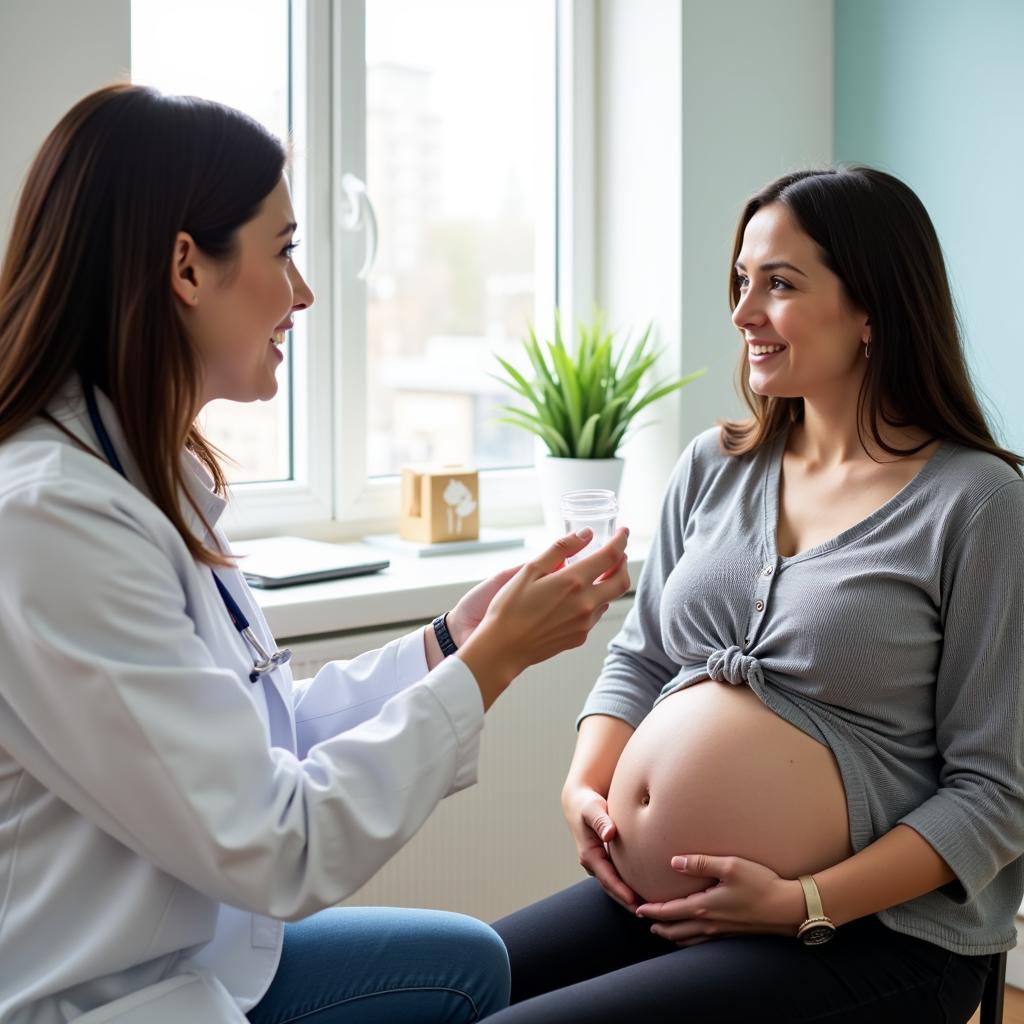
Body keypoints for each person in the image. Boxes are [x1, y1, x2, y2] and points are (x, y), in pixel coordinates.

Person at [0, 83, 630, 1023]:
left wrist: (451, 642)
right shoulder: (54, 522)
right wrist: (495, 666)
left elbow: (263, 736)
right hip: (104, 998)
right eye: (285, 251)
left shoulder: (143, 478)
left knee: (470, 964)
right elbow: (276, 846)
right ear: (186, 267)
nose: (303, 292)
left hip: (192, 953)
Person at [486, 166, 1024, 1023]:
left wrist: (802, 901)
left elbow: (995, 795)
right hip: (662, 907)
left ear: (871, 310)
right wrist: (585, 787)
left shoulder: (978, 503)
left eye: (778, 284)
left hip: (875, 938)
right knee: (438, 987)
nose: (742, 314)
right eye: (742, 281)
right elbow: (645, 654)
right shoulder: (716, 464)